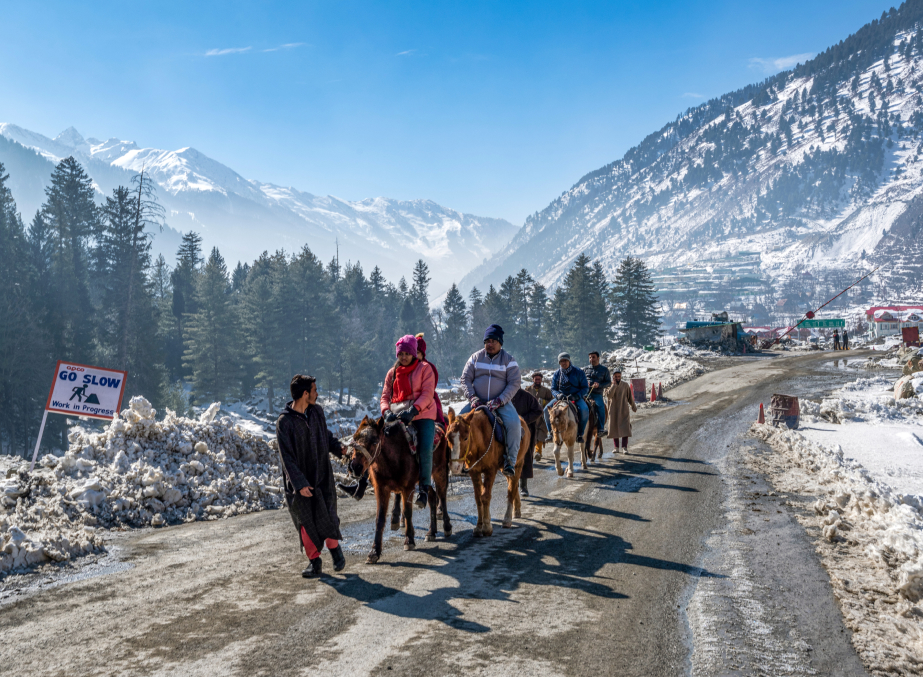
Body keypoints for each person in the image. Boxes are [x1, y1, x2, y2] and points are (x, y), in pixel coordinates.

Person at [276, 374, 347, 578]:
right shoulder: (284, 422)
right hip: (300, 483)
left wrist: (338, 448)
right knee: (306, 521)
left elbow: (325, 435)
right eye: (315, 390)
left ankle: (336, 552)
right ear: (305, 394)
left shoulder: (316, 411)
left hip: (322, 476)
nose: (317, 394)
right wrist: (299, 483)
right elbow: (286, 457)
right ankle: (315, 562)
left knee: (329, 516)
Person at [380, 334, 437, 509]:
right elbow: (384, 397)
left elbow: (428, 394)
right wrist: (386, 411)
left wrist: (414, 410)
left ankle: (424, 488)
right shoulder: (392, 373)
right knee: (376, 441)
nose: (403, 357)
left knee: (425, 448)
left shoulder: (425, 369)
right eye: (400, 354)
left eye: (407, 353)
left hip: (422, 415)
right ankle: (365, 481)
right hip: (397, 415)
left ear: (414, 353)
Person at [459, 324, 522, 478]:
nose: (490, 344)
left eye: (493, 341)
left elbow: (514, 383)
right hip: (477, 403)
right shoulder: (475, 358)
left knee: (514, 425)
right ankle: (456, 461)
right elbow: (465, 379)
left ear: (500, 342)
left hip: (501, 404)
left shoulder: (509, 360)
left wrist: (500, 400)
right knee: (457, 425)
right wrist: (472, 397)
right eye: (487, 341)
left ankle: (510, 462)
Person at [544, 353, 590, 443]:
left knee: (584, 410)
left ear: (569, 361)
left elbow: (585, 388)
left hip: (576, 397)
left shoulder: (579, 372)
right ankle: (551, 433)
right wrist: (558, 395)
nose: (563, 363)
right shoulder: (557, 373)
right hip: (561, 398)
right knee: (546, 410)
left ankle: (580, 434)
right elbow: (553, 388)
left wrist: (577, 395)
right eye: (561, 361)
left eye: (565, 360)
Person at [511, 387, 543, 497]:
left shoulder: (526, 396)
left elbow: (538, 410)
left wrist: (523, 420)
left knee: (524, 457)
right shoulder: (503, 395)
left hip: (524, 432)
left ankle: (523, 486)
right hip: (507, 430)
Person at [415, 333, 447, 427]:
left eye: (417, 353)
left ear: (422, 353)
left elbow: (430, 388)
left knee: (437, 424)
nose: (414, 355)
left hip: (427, 400)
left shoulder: (428, 367)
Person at [604, 367, 636, 452]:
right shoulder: (609, 385)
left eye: (619, 376)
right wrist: (613, 386)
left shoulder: (625, 385)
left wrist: (633, 406)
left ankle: (624, 447)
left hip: (623, 410)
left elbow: (630, 397)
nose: (617, 378)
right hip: (613, 411)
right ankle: (616, 447)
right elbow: (609, 395)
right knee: (614, 429)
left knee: (625, 429)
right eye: (616, 376)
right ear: (613, 377)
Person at [583, 351, 611, 436]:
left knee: (601, 407)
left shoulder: (604, 370)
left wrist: (599, 385)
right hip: (585, 393)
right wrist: (584, 383)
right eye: (590, 357)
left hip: (597, 394)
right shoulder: (585, 369)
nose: (591, 359)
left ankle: (600, 429)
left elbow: (608, 383)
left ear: (598, 358)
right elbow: (580, 380)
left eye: (593, 357)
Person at [525, 372, 553, 445]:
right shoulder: (527, 389)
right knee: (529, 434)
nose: (537, 381)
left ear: (541, 380)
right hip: (530, 416)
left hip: (542, 416)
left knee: (541, 433)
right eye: (536, 379)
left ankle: (538, 452)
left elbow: (552, 402)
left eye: (539, 379)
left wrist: (543, 402)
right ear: (533, 379)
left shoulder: (546, 391)